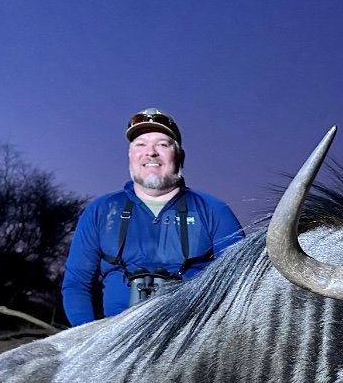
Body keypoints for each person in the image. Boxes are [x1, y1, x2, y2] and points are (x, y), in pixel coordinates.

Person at [61, 107, 244, 325]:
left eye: (162, 144)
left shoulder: (214, 210)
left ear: (179, 156)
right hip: (114, 336)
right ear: (130, 156)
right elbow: (76, 283)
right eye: (140, 144)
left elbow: (241, 284)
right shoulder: (101, 210)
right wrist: (88, 340)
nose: (151, 152)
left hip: (192, 335)